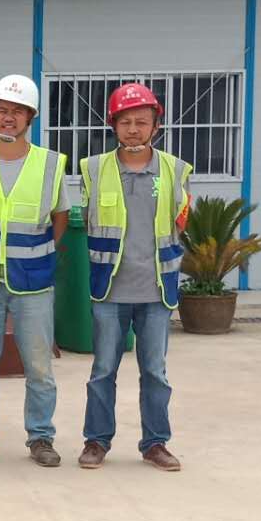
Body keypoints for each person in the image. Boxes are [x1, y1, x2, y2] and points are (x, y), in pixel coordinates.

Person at [0, 74, 70, 468]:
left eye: (18, 111)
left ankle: (41, 437)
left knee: (39, 366)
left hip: (33, 281)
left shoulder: (50, 164)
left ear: (30, 118)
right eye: (2, 110)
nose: (9, 118)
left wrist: (36, 252)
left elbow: (60, 216)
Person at [79, 83, 191, 472]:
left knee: (155, 373)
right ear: (113, 125)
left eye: (141, 122)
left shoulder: (175, 171)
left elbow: (180, 223)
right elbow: (87, 220)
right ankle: (96, 441)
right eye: (125, 121)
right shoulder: (94, 169)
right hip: (109, 290)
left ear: (156, 126)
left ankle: (155, 443)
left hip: (157, 290)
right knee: (102, 371)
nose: (133, 130)